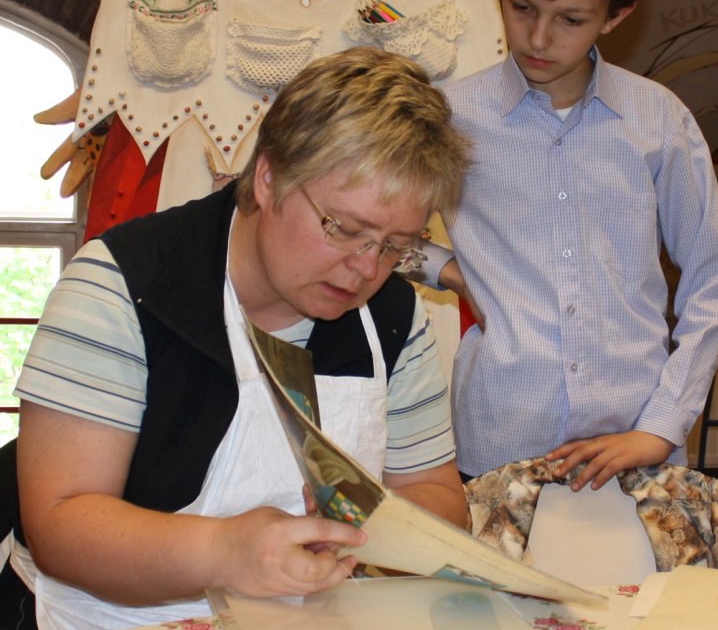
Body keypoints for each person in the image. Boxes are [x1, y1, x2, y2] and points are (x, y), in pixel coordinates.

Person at [12, 46, 471, 630]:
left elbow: (438, 494)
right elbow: (61, 527)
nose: (365, 269)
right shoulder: (125, 287)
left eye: (393, 246)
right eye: (343, 228)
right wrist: (224, 551)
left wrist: (376, 526)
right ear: (268, 178)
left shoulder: (392, 318)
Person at [418, 0, 718, 492]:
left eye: (570, 19)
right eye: (522, 7)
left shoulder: (658, 120)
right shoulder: (451, 116)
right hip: (499, 438)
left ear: (616, 16)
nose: (538, 38)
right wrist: (452, 270)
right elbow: (364, 228)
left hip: (635, 439)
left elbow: (712, 278)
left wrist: (663, 424)